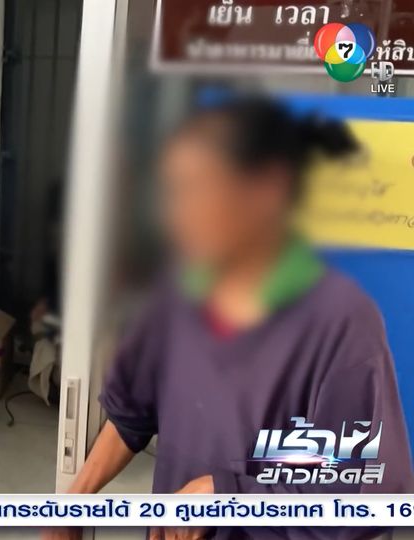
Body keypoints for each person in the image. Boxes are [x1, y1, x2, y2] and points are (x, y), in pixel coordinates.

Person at [44, 98, 414, 540]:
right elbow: (130, 415)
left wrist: (228, 495)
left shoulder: (341, 323)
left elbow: (362, 499)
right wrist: (75, 502)